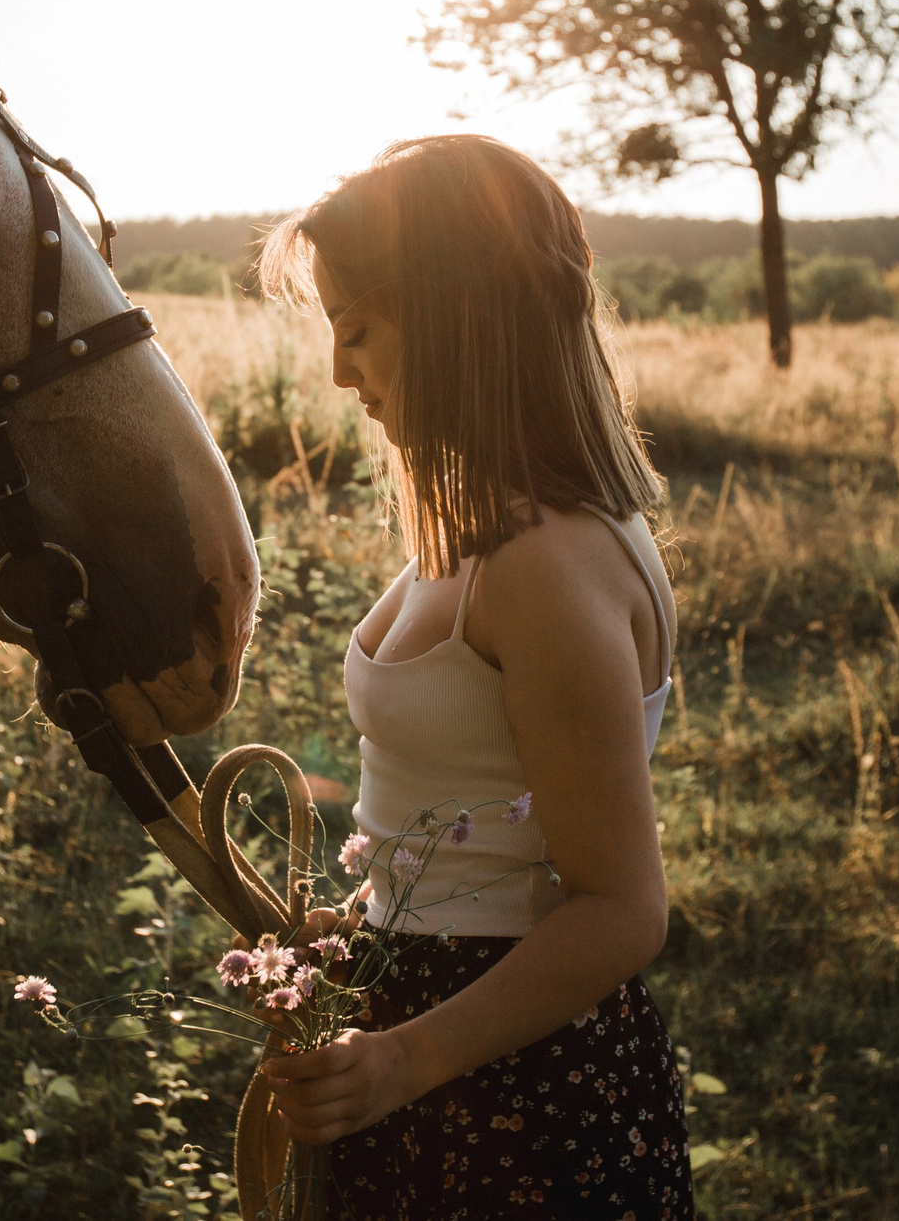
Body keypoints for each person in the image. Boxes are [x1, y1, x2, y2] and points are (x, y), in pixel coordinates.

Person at [256, 135, 696, 1220]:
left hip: (511, 1091)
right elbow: (481, 821)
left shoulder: (545, 562)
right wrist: (362, 926)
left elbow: (622, 909)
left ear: (457, 317)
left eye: (356, 331)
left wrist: (404, 1060)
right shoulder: (487, 525)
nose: (338, 373)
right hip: (438, 1033)